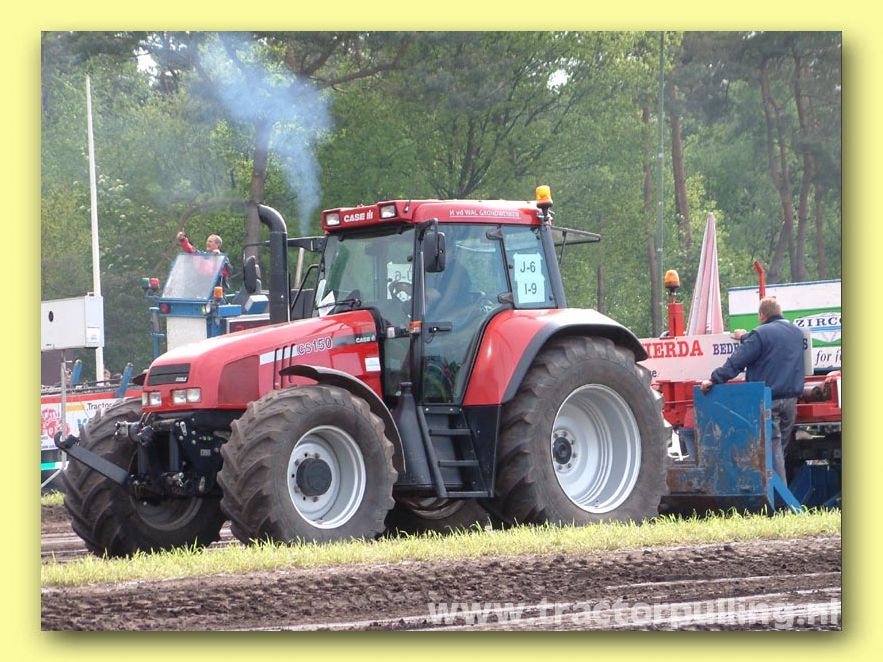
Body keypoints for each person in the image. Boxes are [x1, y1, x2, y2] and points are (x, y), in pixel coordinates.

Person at [700, 297, 804, 482]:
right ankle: (779, 490)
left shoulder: (760, 334)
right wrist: (744, 337)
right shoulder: (796, 332)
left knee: (772, 451)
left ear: (762, 315)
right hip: (791, 401)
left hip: (770, 400)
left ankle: (778, 496)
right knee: (779, 450)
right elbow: (771, 341)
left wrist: (714, 379)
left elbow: (737, 361)